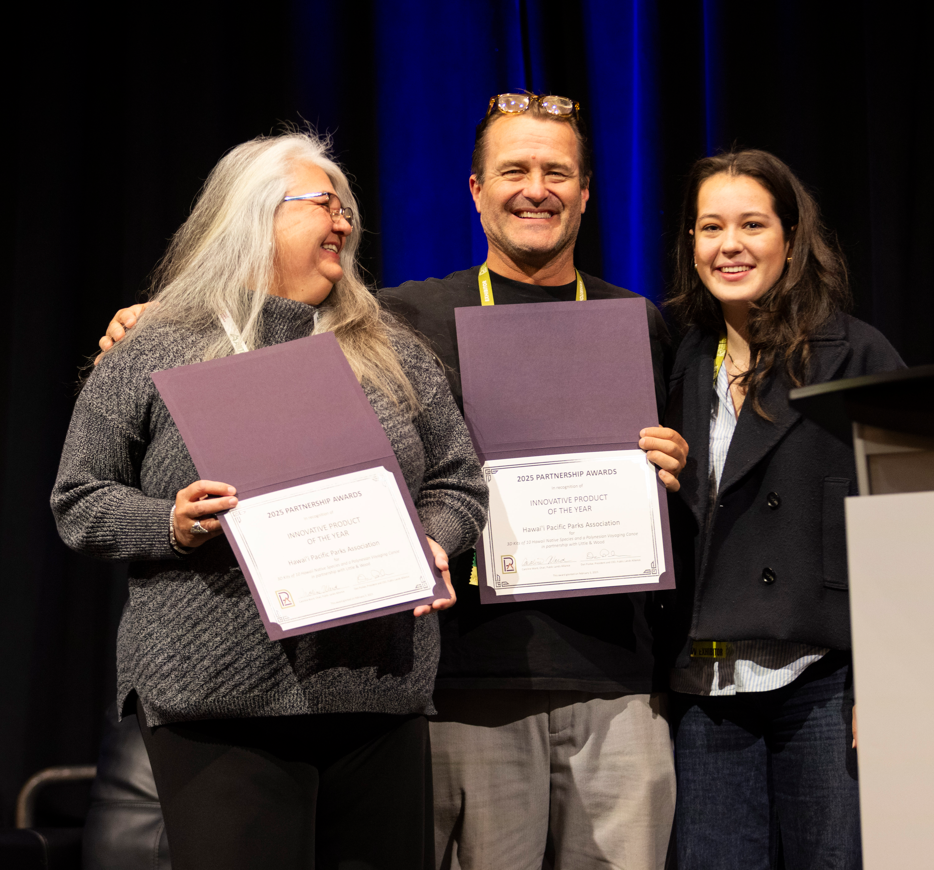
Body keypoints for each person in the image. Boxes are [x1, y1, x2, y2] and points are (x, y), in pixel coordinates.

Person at [97, 95, 687, 870]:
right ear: (476, 189)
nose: (535, 189)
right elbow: (265, 322)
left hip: (612, 674)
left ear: (585, 192)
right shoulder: (401, 318)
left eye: (557, 172)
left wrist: (670, 461)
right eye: (513, 170)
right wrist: (158, 321)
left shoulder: (638, 321)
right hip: (470, 682)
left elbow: (479, 482)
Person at [52, 130, 488, 870]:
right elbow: (78, 500)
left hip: (376, 693)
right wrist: (170, 523)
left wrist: (434, 538)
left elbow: (460, 480)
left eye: (346, 209)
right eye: (323, 203)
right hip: (217, 701)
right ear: (254, 215)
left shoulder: (393, 351)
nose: (343, 221)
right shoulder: (155, 347)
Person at [663, 148, 904, 870]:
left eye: (752, 225)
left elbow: (905, 534)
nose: (729, 245)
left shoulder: (856, 354)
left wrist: (888, 687)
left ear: (791, 238)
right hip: (707, 686)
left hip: (823, 680)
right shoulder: (681, 360)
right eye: (711, 227)